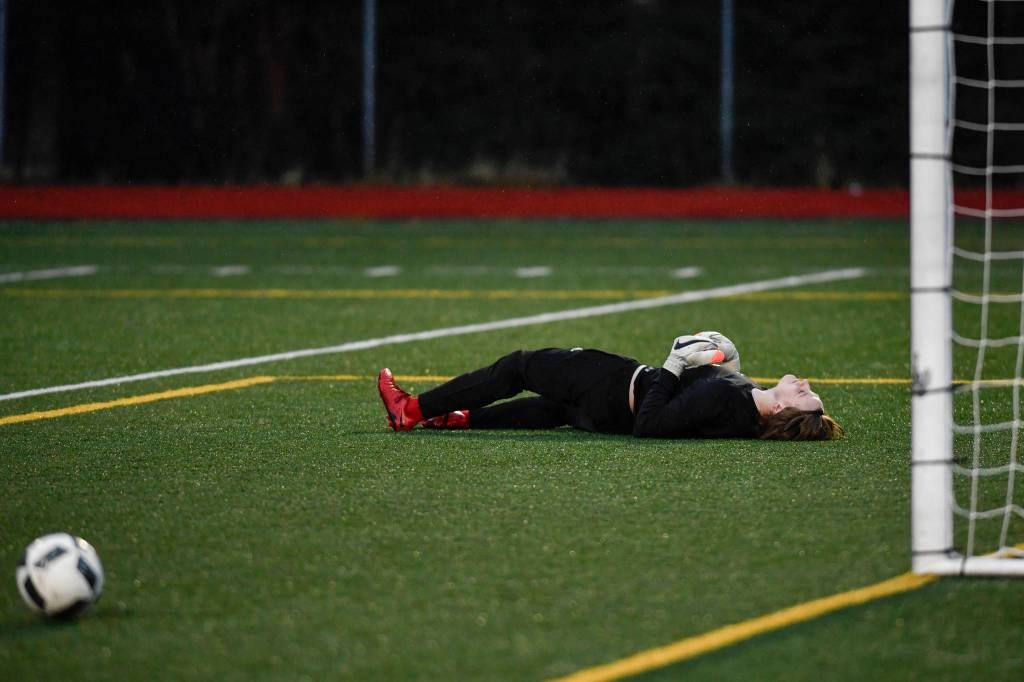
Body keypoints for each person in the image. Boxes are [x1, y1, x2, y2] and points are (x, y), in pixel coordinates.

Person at [377, 331, 843, 441]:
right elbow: (703, 397)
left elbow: (651, 424)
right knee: (551, 408)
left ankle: (412, 410)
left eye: (804, 394)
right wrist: (730, 359)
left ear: (783, 412)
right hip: (601, 411)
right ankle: (457, 416)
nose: (802, 382)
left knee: (519, 366)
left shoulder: (730, 399)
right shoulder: (744, 400)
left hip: (612, 387)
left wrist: (673, 364)